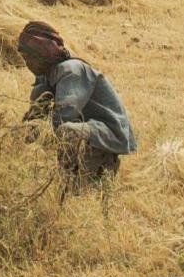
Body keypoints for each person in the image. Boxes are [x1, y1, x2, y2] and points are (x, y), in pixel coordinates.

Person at [17, 21, 136, 190]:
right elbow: (35, 116)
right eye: (24, 59)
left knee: (68, 132)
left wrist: (37, 133)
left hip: (108, 132)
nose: (27, 64)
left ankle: (82, 179)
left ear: (42, 53)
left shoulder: (71, 70)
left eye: (29, 58)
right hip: (88, 129)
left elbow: (63, 115)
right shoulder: (45, 75)